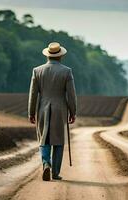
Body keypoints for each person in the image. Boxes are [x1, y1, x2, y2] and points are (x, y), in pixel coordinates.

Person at [28, 42, 77, 181]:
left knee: (44, 139)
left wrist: (31, 113)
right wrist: (73, 112)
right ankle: (55, 173)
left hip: (42, 109)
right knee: (58, 141)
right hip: (60, 111)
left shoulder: (37, 71)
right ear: (61, 56)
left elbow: (33, 94)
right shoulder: (67, 71)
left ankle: (45, 164)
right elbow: (71, 95)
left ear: (48, 55)